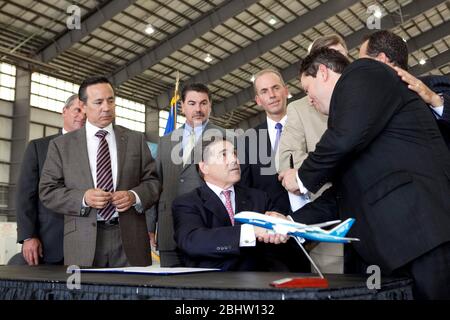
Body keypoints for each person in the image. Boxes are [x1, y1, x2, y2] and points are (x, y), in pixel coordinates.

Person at [279, 48, 450, 299]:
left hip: (421, 235)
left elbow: (341, 139)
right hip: (392, 251)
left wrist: (302, 177)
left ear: (323, 72)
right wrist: (290, 222)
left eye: (307, 89)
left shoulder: (362, 72)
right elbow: (342, 195)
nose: (310, 99)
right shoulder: (357, 123)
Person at [39, 76, 161, 267]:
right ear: (84, 106)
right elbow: (47, 191)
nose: (106, 107)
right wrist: (83, 198)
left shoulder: (135, 140)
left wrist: (134, 196)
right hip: (83, 241)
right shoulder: (61, 146)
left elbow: (153, 182)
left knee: (132, 295)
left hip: (130, 240)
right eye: (98, 102)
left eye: (110, 101)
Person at [276, 34, 349, 273]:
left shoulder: (366, 100)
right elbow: (286, 161)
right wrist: (327, 168)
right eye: (329, 60)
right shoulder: (299, 108)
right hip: (326, 222)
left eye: (342, 59)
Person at [173, 137, 288, 271]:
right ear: (204, 167)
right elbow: (192, 241)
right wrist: (250, 232)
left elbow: (279, 235)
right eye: (223, 155)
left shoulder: (259, 198)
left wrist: (281, 229)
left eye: (234, 154)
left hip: (259, 282)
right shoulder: (187, 203)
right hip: (213, 284)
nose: (235, 160)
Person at [149, 83, 225, 267]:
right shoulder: (165, 141)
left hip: (208, 230)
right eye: (192, 103)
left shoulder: (226, 138)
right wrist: (150, 227)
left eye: (203, 103)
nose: (198, 109)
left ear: (210, 106)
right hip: (169, 231)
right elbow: (154, 184)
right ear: (182, 106)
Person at [13, 94, 85, 266]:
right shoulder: (39, 147)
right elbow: (25, 195)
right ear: (64, 111)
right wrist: (29, 236)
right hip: (48, 243)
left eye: (86, 111)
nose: (82, 115)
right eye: (77, 110)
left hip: (87, 244)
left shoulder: (98, 151)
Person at [358, 30, 450, 148]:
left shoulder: (433, 84)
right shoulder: (372, 108)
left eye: (363, 61)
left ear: (381, 59)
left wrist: (434, 99)